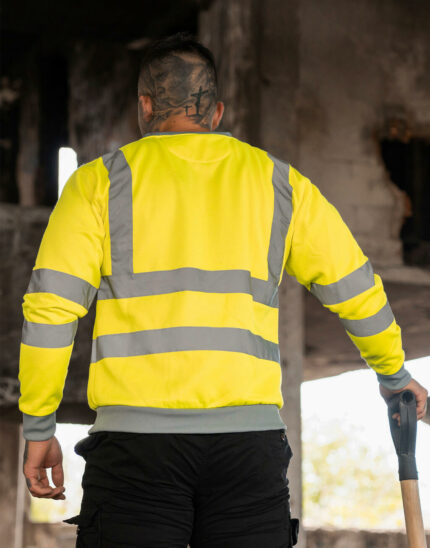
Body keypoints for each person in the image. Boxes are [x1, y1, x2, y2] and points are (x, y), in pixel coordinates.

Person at [18, 32, 428, 548]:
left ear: (144, 106)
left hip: (135, 452)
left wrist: (40, 426)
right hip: (248, 452)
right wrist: (393, 374)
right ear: (216, 112)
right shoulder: (280, 184)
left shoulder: (98, 183)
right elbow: (355, 287)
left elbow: (51, 310)